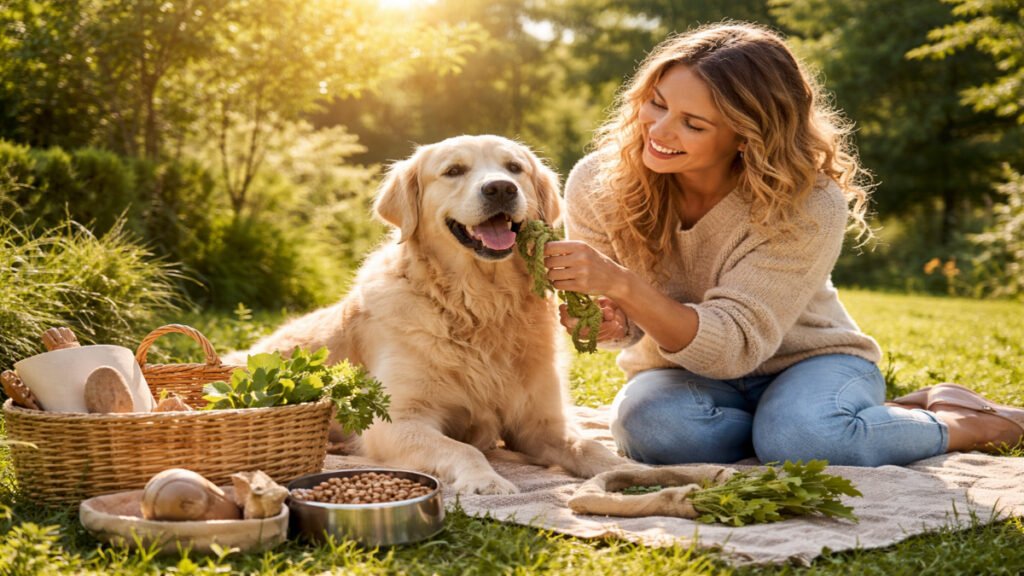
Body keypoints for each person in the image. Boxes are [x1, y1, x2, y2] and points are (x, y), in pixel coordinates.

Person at [542, 21, 1024, 466]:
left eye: (694, 123)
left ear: (746, 136)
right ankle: (825, 424)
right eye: (658, 102)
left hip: (808, 359)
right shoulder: (598, 182)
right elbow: (626, 325)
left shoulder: (810, 201)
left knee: (802, 443)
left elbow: (733, 346)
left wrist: (623, 286)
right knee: (655, 432)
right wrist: (609, 320)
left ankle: (966, 423)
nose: (659, 130)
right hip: (680, 369)